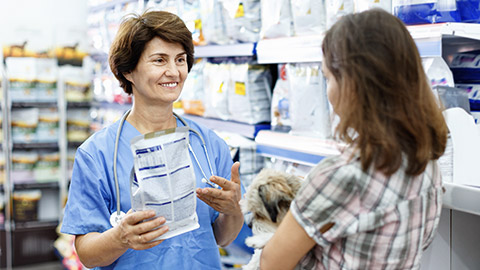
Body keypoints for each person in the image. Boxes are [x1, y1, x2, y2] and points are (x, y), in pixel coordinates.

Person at [260, 9, 448, 270]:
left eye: (328, 78)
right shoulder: (427, 160)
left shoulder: (342, 176)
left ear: (352, 84)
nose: (328, 91)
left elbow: (272, 263)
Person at [61, 10, 244, 269]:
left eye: (180, 60)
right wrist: (120, 237)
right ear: (128, 71)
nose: (174, 71)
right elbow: (88, 256)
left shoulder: (209, 144)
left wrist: (232, 209)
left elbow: (224, 238)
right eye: (159, 60)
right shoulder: (98, 154)